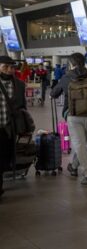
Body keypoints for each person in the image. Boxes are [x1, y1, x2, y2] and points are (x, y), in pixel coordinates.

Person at [50, 53, 87, 187]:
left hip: (73, 115)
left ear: (71, 64)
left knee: (79, 144)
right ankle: (73, 166)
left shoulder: (67, 77)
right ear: (85, 62)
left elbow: (53, 93)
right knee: (81, 144)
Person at [0, 56, 26, 197]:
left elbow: (22, 107)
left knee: (5, 158)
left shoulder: (19, 85)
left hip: (8, 129)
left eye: (11, 67)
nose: (9, 70)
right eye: (5, 67)